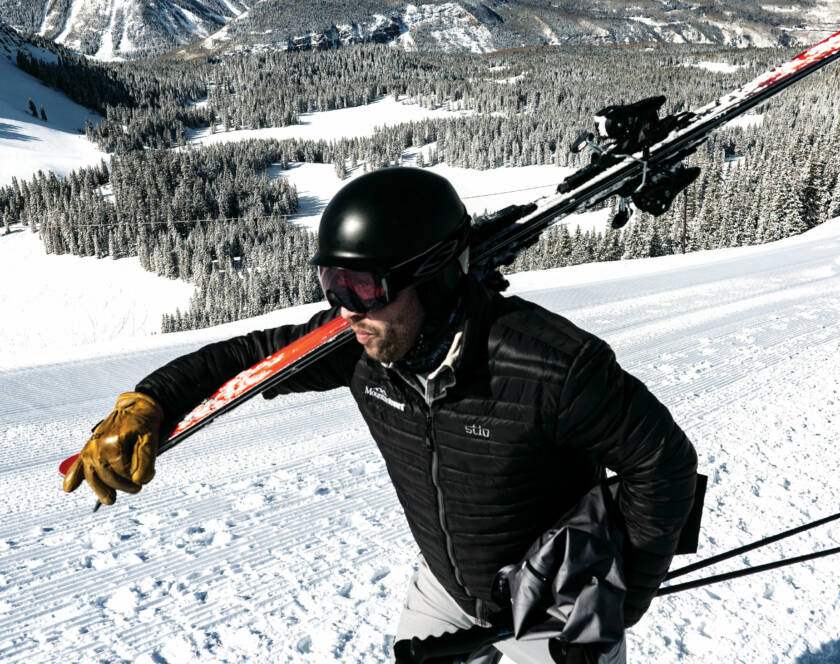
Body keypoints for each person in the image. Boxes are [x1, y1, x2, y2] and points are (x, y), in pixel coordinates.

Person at [62, 167, 698, 663]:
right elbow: (249, 357)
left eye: (362, 288)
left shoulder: (553, 366)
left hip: (558, 596)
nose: (345, 311)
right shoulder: (364, 349)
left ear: (434, 277)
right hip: (449, 586)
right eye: (332, 286)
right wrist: (147, 404)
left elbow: (662, 462)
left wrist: (621, 597)